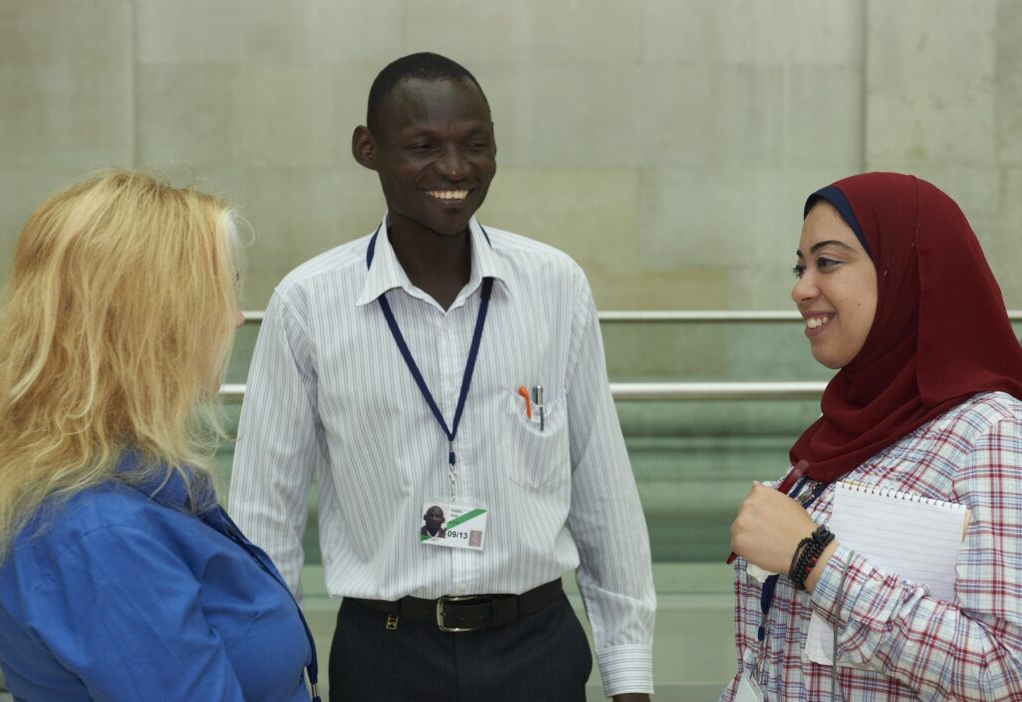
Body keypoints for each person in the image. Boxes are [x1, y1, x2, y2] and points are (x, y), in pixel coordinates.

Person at [229, 52, 655, 701]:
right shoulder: (307, 304)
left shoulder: (555, 286)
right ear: (366, 149)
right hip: (386, 653)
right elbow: (266, 516)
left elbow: (604, 491)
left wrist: (630, 674)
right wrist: (273, 679)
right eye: (423, 146)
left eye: (475, 145)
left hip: (536, 648)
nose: (455, 169)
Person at [0, 171, 320, 701]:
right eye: (222, 291)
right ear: (152, 319)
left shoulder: (125, 477)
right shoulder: (101, 536)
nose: (238, 317)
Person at [726, 172, 1022, 700]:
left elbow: (1006, 670)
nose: (800, 288)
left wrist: (812, 558)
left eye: (829, 262)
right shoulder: (846, 428)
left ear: (909, 273)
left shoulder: (991, 433)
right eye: (801, 266)